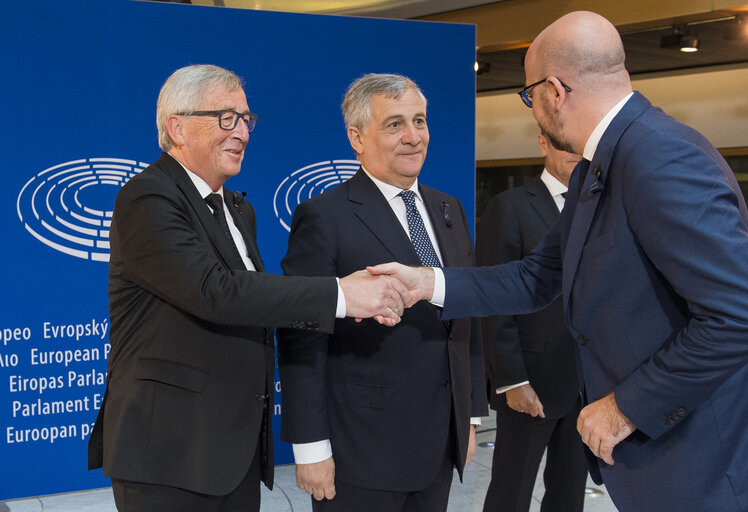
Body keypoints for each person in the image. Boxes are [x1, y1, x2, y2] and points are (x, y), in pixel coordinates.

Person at [370, 11, 748, 512]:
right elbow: (536, 276)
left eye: (528, 96)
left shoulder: (658, 156)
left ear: (554, 91)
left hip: (696, 458)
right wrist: (426, 283)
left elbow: (735, 316)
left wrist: (625, 407)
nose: (533, 112)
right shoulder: (605, 162)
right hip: (663, 457)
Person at [87, 64, 409, 512]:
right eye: (226, 118)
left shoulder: (239, 210)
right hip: (167, 453)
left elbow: (253, 303)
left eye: (246, 119)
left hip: (231, 451)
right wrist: (341, 295)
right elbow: (214, 291)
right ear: (177, 127)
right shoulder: (147, 196)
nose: (242, 131)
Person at [275, 73, 487, 512]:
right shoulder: (324, 216)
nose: (413, 137)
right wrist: (311, 447)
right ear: (357, 137)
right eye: (395, 124)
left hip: (439, 443)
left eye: (420, 121)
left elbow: (467, 315)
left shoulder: (450, 209)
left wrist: (469, 415)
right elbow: (301, 334)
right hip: (362, 452)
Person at [477, 132, 586, 512]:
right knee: (512, 491)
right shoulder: (510, 208)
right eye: (564, 144)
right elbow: (493, 300)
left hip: (587, 384)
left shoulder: (598, 207)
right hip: (531, 382)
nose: (574, 153)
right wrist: (512, 380)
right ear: (543, 144)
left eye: (581, 145)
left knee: (569, 494)